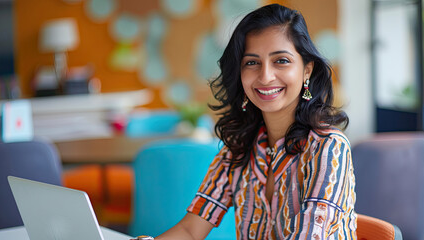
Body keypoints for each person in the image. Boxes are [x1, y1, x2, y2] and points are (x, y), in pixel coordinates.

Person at [153, 3, 357, 240]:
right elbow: (190, 230)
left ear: (306, 71)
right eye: (251, 62)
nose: (265, 76)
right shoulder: (238, 150)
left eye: (281, 60)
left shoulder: (328, 147)